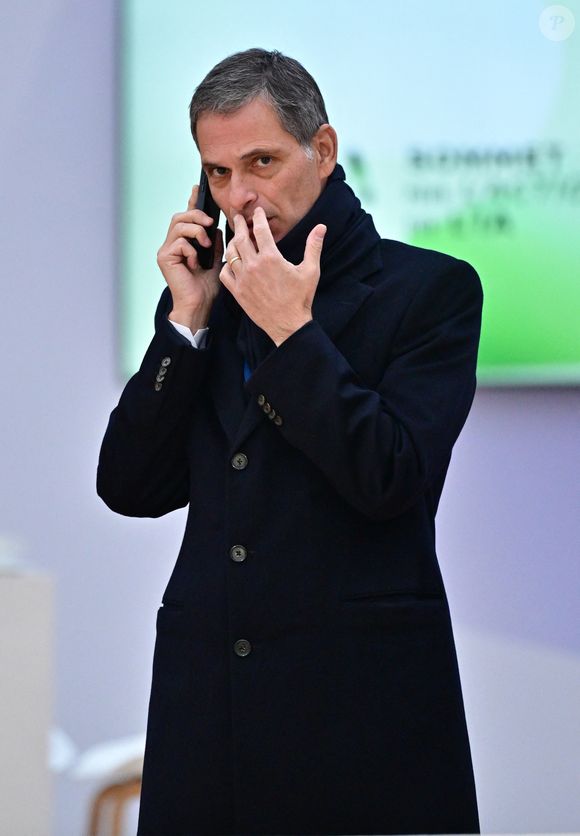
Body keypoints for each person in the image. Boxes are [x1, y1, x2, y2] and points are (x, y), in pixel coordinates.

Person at [97, 48, 482, 835]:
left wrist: (292, 331)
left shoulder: (429, 291)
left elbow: (391, 478)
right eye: (217, 173)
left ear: (325, 151)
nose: (239, 197)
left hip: (360, 726)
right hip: (208, 724)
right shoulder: (212, 300)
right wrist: (184, 325)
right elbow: (130, 487)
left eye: (262, 162)